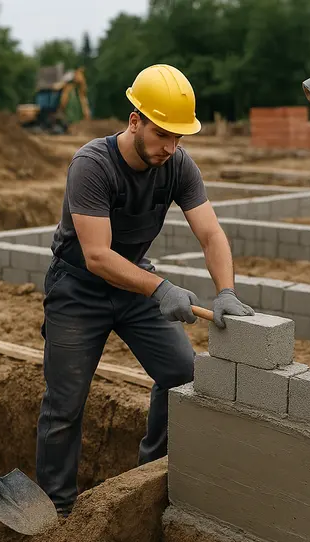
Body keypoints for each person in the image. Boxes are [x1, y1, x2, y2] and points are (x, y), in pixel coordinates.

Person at [37, 63, 254, 516]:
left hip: (134, 281)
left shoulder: (177, 164)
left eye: (179, 138)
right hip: (78, 288)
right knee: (65, 403)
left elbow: (211, 234)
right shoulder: (92, 165)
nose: (170, 148)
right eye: (161, 135)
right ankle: (57, 507)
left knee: (181, 372)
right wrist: (160, 288)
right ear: (135, 120)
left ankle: (152, 472)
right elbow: (96, 255)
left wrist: (226, 290)